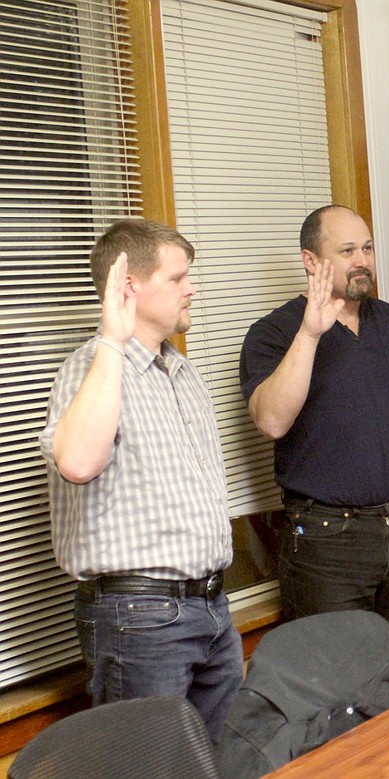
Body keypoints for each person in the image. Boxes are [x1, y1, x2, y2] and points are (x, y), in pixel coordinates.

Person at [40, 219, 243, 740]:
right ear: (130, 285)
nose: (191, 288)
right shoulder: (90, 367)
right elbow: (78, 463)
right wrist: (112, 340)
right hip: (140, 618)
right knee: (149, 764)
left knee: (222, 763)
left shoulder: (182, 371)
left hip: (211, 609)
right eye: (178, 279)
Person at [239, 204, 389, 681]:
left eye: (367, 248)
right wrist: (311, 334)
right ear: (311, 261)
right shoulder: (273, 333)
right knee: (338, 689)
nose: (363, 260)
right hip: (327, 542)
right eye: (347, 250)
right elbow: (270, 420)